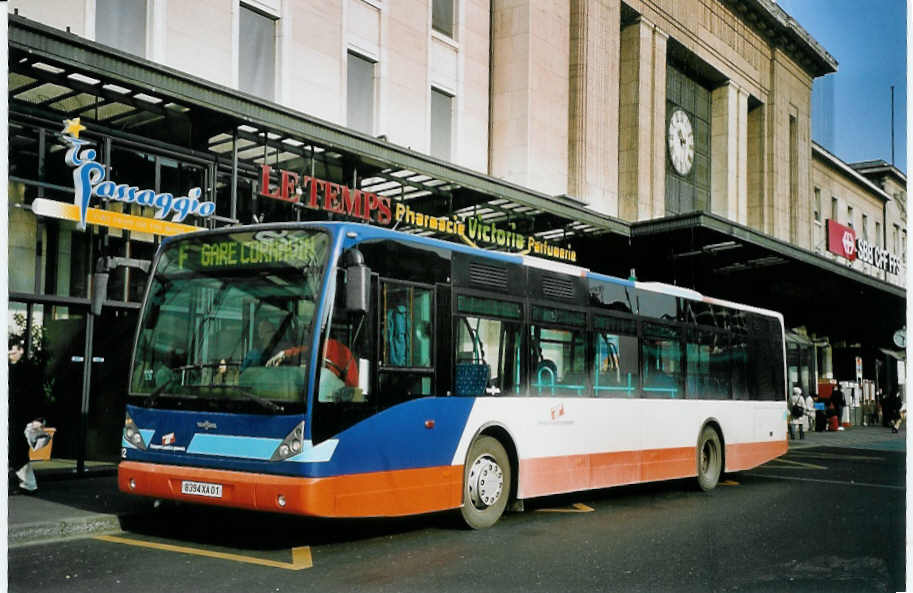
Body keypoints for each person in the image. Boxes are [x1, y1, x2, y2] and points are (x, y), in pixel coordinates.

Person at [8, 336, 46, 493]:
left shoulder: (29, 370)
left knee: (18, 452)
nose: (10, 355)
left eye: (13, 352)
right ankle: (28, 483)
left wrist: (38, 418)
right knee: (16, 451)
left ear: (21, 351)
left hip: (21, 417)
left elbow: (37, 395)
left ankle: (29, 484)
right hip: (14, 415)